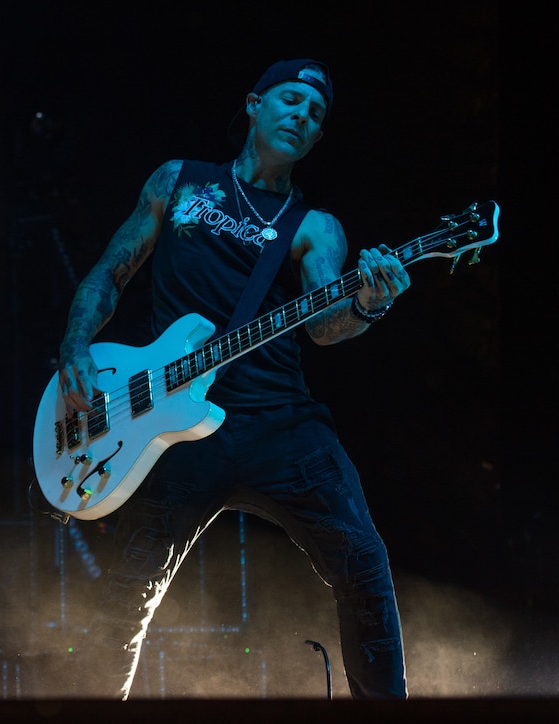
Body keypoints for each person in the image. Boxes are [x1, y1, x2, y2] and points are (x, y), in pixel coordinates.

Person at [54, 59, 410, 699]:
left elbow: (324, 326)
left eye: (317, 114)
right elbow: (110, 272)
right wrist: (76, 343)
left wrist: (367, 302)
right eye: (292, 100)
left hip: (281, 427)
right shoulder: (179, 182)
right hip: (171, 424)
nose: (303, 115)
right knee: (125, 596)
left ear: (317, 138)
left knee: (364, 565)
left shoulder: (313, 227)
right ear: (254, 104)